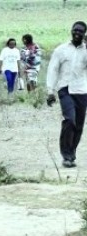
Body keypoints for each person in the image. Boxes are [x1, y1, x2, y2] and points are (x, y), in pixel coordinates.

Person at [47, 21, 87, 168]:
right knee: (70, 121)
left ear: (84, 34)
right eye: (75, 30)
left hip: (82, 91)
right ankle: (66, 156)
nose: (77, 33)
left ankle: (72, 153)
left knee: (79, 126)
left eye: (81, 31)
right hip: (65, 89)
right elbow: (53, 69)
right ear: (71, 30)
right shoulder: (61, 50)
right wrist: (50, 91)